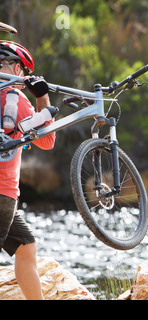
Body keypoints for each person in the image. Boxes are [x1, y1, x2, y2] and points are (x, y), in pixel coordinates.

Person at [0, 40, 56, 299]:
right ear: (16, 69)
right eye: (20, 69)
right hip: (2, 192)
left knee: (26, 246)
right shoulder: (15, 99)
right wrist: (42, 96)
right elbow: (47, 140)